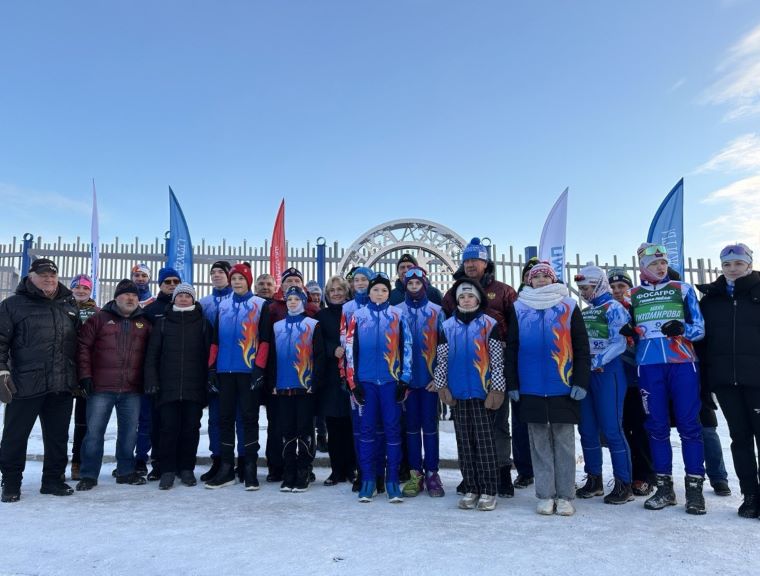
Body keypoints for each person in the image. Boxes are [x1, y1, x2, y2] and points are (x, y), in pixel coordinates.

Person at [625, 243, 706, 514]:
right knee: (656, 426)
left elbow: (700, 329)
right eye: (653, 263)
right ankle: (664, 488)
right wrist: (629, 333)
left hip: (682, 363)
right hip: (648, 366)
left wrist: (683, 329)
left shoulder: (682, 289)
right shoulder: (633, 295)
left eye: (663, 262)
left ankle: (695, 490)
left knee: (688, 425)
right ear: (642, 266)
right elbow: (631, 334)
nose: (660, 267)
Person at [505, 262, 590, 516]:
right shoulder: (519, 307)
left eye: (546, 275)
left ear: (553, 279)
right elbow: (512, 348)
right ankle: (545, 494)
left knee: (564, 441)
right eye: (536, 276)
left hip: (563, 383)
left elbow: (581, 346)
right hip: (530, 386)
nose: (541, 279)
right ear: (529, 281)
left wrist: (581, 381)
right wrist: (513, 383)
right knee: (538, 442)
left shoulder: (569, 306)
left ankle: (565, 495)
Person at [442, 237, 519, 497]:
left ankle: (501, 473)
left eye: (475, 259)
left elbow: (515, 326)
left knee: (497, 423)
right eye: (467, 260)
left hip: (495, 366)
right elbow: (445, 331)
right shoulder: (453, 293)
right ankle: (472, 477)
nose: (471, 264)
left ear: (486, 262)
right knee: (467, 430)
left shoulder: (504, 290)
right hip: (463, 373)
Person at [0, 258, 80, 503]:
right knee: (15, 435)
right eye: (43, 274)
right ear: (31, 277)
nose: (49, 279)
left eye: (53, 275)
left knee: (57, 436)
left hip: (61, 384)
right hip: (25, 383)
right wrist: (2, 371)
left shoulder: (69, 304)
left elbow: (77, 344)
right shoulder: (12, 305)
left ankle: (53, 480)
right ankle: (11, 483)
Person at [696, 243, 760, 518]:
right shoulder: (711, 299)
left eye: (738, 263)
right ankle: (750, 496)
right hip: (724, 380)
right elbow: (701, 342)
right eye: (727, 264)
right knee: (739, 438)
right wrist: (705, 383)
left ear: (748, 263)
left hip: (757, 379)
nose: (733, 269)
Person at [435, 278, 505, 511]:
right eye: (462, 296)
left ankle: (488, 489)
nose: (466, 299)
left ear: (478, 298)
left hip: (482, 392)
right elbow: (441, 358)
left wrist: (496, 388)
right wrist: (442, 385)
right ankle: (471, 487)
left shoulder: (489, 323)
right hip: (458, 394)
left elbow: (496, 359)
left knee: (484, 443)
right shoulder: (447, 327)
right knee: (464, 443)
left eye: (470, 296)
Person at [75, 280, 151, 491]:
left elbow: (152, 355)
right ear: (116, 298)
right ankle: (89, 475)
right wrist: (86, 376)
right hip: (101, 388)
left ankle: (126, 471)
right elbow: (83, 348)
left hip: (132, 389)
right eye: (126, 296)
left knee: (129, 434)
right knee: (94, 433)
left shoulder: (145, 323)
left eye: (134, 296)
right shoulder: (98, 319)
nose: (130, 299)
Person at [345, 273, 412, 503]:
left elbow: (407, 347)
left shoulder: (398, 315)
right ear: (369, 292)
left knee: (393, 431)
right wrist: (353, 382)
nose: (379, 293)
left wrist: (404, 379)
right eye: (375, 290)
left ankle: (392, 480)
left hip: (391, 382)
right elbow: (349, 350)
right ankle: (368, 481)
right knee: (366, 431)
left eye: (384, 290)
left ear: (388, 293)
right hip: (366, 383)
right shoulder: (357, 316)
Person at [205, 263, 271, 490]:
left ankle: (250, 467)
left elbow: (265, 340)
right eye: (233, 279)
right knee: (225, 419)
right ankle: (225, 468)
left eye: (241, 279)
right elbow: (215, 340)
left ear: (248, 281)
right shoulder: (222, 306)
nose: (236, 282)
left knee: (249, 419)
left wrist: (259, 368)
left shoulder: (260, 304)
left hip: (248, 371)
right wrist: (212, 369)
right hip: (224, 371)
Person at [573, 265, 634, 504]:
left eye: (586, 288)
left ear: (598, 284)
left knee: (611, 429)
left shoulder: (614, 307)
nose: (583, 293)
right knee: (587, 429)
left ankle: (624, 483)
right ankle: (594, 479)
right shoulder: (586, 311)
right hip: (587, 374)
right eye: (580, 289)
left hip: (608, 373)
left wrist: (597, 360)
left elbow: (619, 343)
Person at [144, 283, 212, 490]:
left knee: (191, 429)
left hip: (194, 386)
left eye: (187, 296)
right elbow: (152, 355)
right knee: (167, 429)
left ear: (193, 299)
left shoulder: (202, 323)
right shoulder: (163, 323)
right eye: (180, 295)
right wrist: (152, 381)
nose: (183, 299)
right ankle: (167, 470)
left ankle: (187, 469)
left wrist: (209, 381)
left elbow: (210, 356)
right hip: (167, 386)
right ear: (174, 299)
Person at [267, 287, 325, 492]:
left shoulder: (313, 325)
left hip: (305, 386)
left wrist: (314, 383)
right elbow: (272, 358)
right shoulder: (277, 327)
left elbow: (319, 357)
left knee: (305, 430)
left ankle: (304, 471)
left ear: (303, 301)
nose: (292, 302)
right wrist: (272, 383)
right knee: (287, 431)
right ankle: (289, 471)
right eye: (289, 299)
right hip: (283, 387)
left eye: (296, 299)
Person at [396, 266, 445, 497]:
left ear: (424, 285)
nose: (414, 288)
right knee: (412, 429)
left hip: (430, 381)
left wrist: (439, 377)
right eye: (410, 284)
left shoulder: (437, 311)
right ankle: (416, 473)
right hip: (407, 382)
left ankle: (433, 472)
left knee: (431, 428)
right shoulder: (396, 311)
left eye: (418, 284)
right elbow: (392, 348)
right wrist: (399, 378)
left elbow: (445, 348)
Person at [608, 267, 655, 496]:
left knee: (640, 428)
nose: (617, 291)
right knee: (622, 428)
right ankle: (625, 474)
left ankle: (645, 475)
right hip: (616, 380)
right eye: (613, 287)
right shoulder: (606, 311)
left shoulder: (639, 310)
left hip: (638, 379)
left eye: (621, 286)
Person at [197, 260, 244, 483]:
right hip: (213, 367)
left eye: (221, 272)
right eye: (213, 272)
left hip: (239, 367)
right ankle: (219, 459)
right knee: (216, 418)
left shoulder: (242, 301)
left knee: (241, 417)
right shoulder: (203, 303)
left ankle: (244, 461)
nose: (216, 275)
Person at [137, 267, 182, 481]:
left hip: (180, 376)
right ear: (160, 285)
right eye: (168, 282)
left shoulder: (190, 307)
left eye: (176, 281)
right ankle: (155, 462)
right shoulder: (151, 310)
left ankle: (177, 462)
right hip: (156, 376)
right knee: (154, 422)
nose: (172, 285)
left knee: (177, 422)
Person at [315, 275, 357, 486]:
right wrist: (333, 349)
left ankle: (351, 468)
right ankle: (336, 470)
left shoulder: (354, 313)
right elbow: (317, 343)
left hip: (352, 376)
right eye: (333, 291)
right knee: (333, 425)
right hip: (331, 377)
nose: (337, 293)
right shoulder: (321, 316)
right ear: (327, 294)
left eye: (340, 289)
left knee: (350, 424)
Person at [69, 274, 100, 481]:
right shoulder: (62, 307)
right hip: (64, 370)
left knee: (83, 421)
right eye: (77, 287)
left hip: (86, 371)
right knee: (59, 422)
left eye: (85, 288)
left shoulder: (97, 313)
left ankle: (78, 462)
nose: (81, 291)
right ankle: (54, 464)